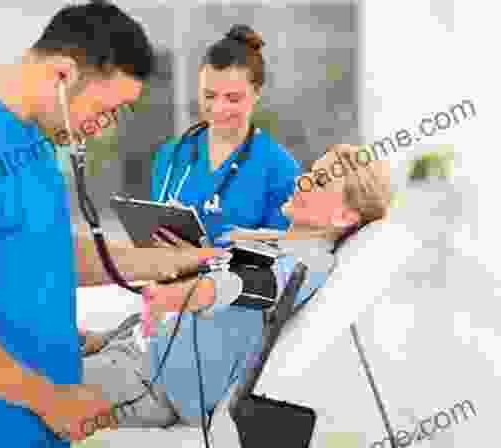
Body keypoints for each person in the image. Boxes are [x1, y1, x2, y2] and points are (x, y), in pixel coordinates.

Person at [0, 3, 222, 447]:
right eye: (107, 110)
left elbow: (42, 252)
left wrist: (163, 261)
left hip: (26, 423)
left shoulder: (28, 137)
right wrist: (52, 399)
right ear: (64, 75)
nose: (103, 128)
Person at [78, 143, 392, 428]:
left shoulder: (308, 263)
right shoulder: (274, 244)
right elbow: (194, 315)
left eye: (320, 181)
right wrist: (105, 338)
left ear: (343, 216)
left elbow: (241, 286)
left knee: (37, 393)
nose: (302, 180)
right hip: (137, 354)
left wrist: (176, 294)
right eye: (311, 172)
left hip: (153, 380)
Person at [149, 24, 302, 247]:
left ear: (257, 93)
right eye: (209, 95)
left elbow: (280, 256)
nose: (218, 109)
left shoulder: (280, 169)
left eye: (232, 98)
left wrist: (205, 252)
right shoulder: (172, 154)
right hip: (165, 278)